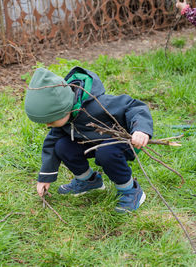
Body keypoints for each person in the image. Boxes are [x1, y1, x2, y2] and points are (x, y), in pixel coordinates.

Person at [24, 67, 153, 213]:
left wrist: (140, 130)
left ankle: (130, 190)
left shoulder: (100, 104)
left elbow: (134, 106)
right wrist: (45, 177)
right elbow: (51, 144)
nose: (48, 125)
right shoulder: (66, 115)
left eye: (51, 121)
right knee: (62, 146)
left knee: (106, 153)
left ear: (65, 108)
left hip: (122, 141)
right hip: (93, 141)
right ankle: (89, 181)